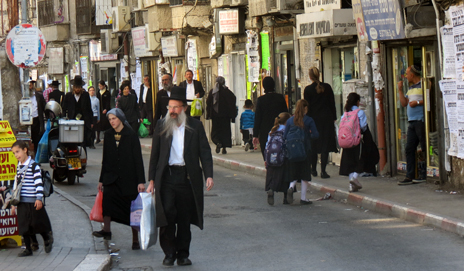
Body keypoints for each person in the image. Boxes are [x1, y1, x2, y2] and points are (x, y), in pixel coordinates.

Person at [146, 86, 214, 266]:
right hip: (167, 177)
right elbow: (155, 155)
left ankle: (183, 254)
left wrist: (209, 175)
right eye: (170, 107)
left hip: (187, 178)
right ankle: (169, 253)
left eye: (175, 107)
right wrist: (151, 179)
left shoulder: (195, 126)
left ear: (184, 108)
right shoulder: (162, 125)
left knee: (184, 218)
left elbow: (205, 152)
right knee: (167, 214)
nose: (172, 111)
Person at [92, 108, 145, 249]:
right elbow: (106, 159)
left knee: (132, 209)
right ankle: (107, 230)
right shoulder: (108, 135)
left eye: (114, 119)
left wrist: (141, 181)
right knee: (107, 202)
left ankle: (135, 239)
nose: (112, 122)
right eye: (109, 120)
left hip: (129, 178)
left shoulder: (131, 135)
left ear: (120, 118)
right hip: (111, 177)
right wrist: (101, 179)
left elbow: (138, 159)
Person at [11, 140, 53, 257]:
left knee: (37, 223)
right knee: (24, 226)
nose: (16, 155)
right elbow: (16, 185)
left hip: (33, 200)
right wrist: (14, 203)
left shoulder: (34, 166)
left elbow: (38, 183)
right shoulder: (19, 167)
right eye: (14, 153)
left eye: (18, 152)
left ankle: (47, 238)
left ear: (25, 150)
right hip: (22, 201)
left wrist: (39, 198)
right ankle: (28, 248)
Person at [304, 67, 338, 179]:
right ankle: (323, 171)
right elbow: (332, 104)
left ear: (310, 76)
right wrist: (334, 117)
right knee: (325, 146)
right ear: (319, 75)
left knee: (313, 145)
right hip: (326, 120)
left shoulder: (308, 90)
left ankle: (313, 169)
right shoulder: (327, 87)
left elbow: (307, 107)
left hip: (314, 120)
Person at [285, 99, 319, 205]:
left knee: (294, 172)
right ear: (305, 108)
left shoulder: (290, 120)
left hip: (292, 151)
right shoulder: (308, 120)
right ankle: (303, 198)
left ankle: (291, 187)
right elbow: (316, 135)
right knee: (305, 174)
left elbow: (285, 136)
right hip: (305, 150)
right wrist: (308, 135)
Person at [397, 65, 426, 185]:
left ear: (412, 75)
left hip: (421, 120)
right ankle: (410, 175)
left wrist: (418, 102)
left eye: (407, 74)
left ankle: (424, 173)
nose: (406, 77)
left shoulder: (423, 85)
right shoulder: (411, 88)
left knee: (424, 147)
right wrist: (400, 90)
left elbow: (429, 98)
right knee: (409, 148)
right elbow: (404, 103)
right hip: (412, 121)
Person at [339, 93, 372, 192]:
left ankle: (351, 185)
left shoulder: (345, 114)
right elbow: (363, 126)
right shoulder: (359, 112)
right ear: (357, 102)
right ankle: (354, 178)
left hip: (346, 141)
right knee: (360, 160)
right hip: (356, 141)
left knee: (349, 162)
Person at [253, 77, 288, 159]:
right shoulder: (280, 98)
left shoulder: (261, 100)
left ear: (264, 86)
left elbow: (258, 118)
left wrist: (255, 135)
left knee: (267, 154)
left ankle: (269, 167)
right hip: (280, 129)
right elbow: (286, 114)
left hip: (265, 131)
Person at [265, 112, 291, 205]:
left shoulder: (272, 130)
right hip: (283, 159)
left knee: (272, 176)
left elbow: (267, 145)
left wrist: (266, 158)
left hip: (271, 158)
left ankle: (271, 189)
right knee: (285, 177)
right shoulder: (287, 130)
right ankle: (285, 198)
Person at [205, 76, 237, 154]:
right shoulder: (227, 91)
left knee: (215, 132)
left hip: (215, 116)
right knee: (225, 132)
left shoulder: (213, 91)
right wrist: (231, 113)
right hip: (225, 116)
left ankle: (218, 142)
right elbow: (233, 99)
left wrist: (209, 113)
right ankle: (224, 148)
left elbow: (208, 102)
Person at [62, 75, 93, 148]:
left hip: (83, 121)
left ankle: (83, 156)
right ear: (73, 87)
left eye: (79, 87)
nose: (77, 89)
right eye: (76, 87)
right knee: (72, 141)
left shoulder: (85, 95)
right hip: (72, 121)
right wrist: (64, 119)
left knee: (83, 141)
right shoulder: (68, 95)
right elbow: (64, 108)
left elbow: (89, 108)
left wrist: (91, 122)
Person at [29, 81, 46, 155]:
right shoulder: (23, 96)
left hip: (36, 120)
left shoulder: (39, 96)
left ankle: (36, 156)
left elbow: (44, 107)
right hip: (27, 121)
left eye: (30, 85)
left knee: (36, 139)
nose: (29, 87)